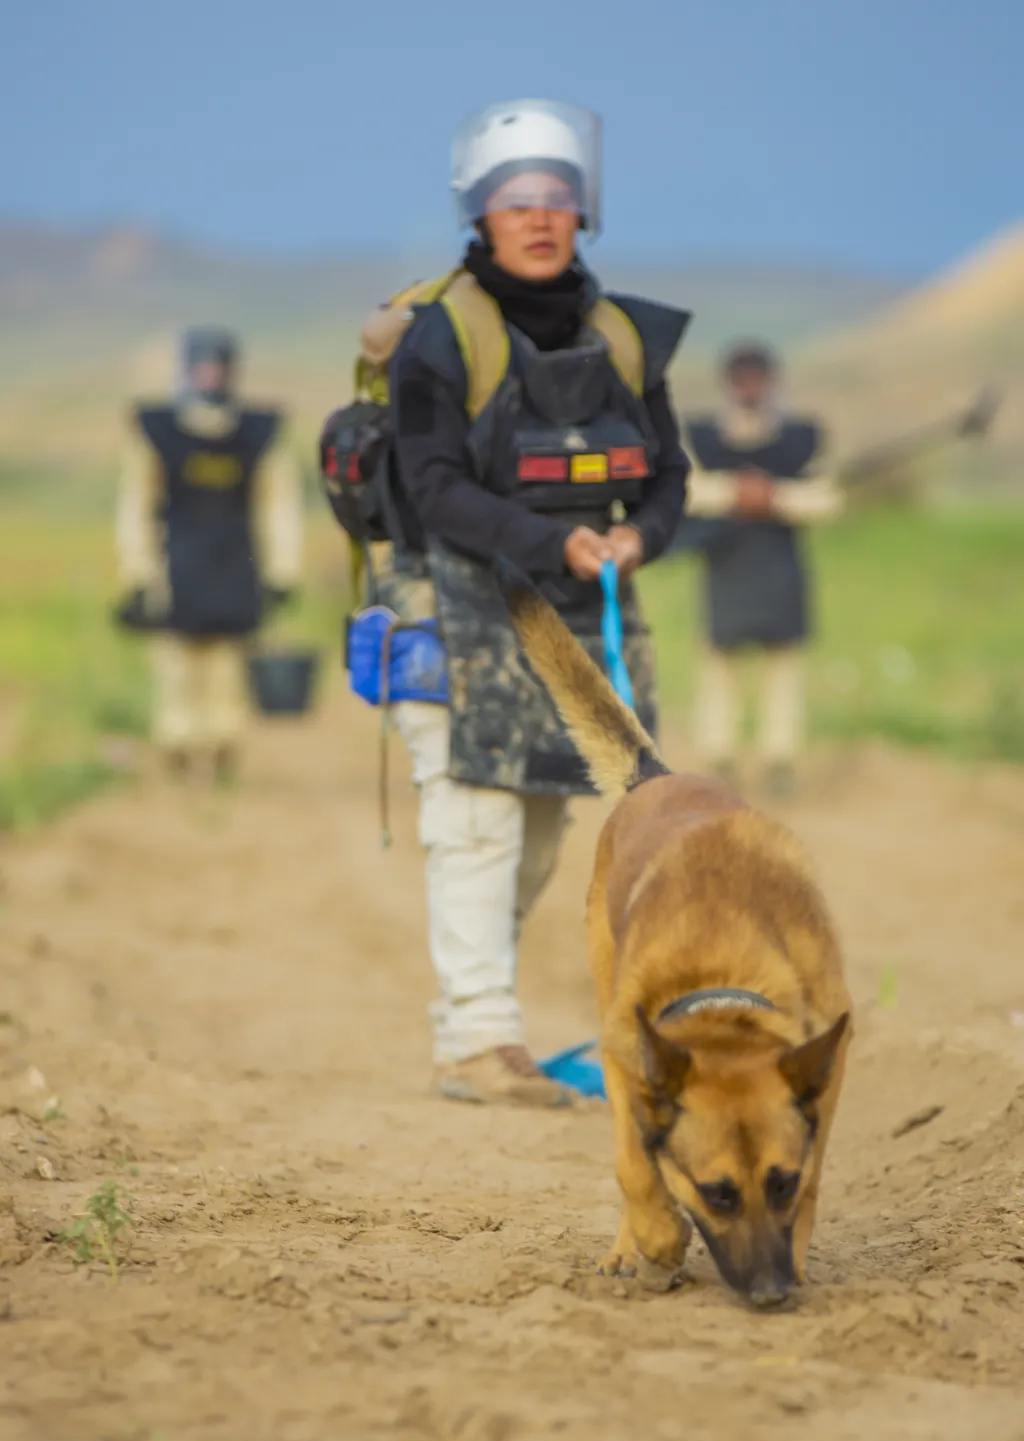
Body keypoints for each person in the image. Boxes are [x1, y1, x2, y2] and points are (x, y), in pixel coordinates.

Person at [376, 99, 690, 1107]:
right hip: (451, 601)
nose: (541, 216)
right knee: (476, 820)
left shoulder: (624, 338)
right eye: (518, 200)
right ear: (481, 215)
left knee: (544, 830)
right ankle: (478, 1040)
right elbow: (431, 487)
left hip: (576, 610)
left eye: (558, 196)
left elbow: (669, 475)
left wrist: (638, 536)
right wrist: (552, 540)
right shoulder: (438, 338)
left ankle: (474, 1022)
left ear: (584, 209)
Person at [115, 327, 304, 782]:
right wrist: (136, 571)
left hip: (236, 563)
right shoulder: (158, 432)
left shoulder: (257, 434)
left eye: (218, 367)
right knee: (177, 666)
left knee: (228, 667)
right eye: (203, 367)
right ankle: (179, 747)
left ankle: (221, 748)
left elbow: (278, 506)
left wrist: (282, 569)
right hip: (175, 563)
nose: (211, 376)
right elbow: (136, 506)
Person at [678, 342, 843, 797]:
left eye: (758, 379)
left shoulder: (800, 439)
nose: (750, 389)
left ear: (771, 382)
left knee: (783, 665)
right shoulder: (703, 438)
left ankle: (779, 760)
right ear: (728, 384)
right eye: (743, 380)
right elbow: (684, 491)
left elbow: (826, 499)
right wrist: (735, 492)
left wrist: (776, 498)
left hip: (779, 563)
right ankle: (719, 757)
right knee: (719, 662)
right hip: (726, 563)